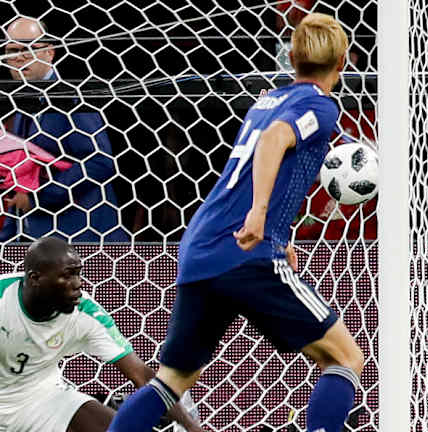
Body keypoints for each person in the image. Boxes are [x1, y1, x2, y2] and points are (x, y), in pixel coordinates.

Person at [106, 13, 364, 432]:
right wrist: (260, 216)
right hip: (245, 252)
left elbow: (264, 166)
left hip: (201, 249)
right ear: (344, 61)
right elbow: (275, 141)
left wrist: (280, 232)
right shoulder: (320, 105)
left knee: (171, 380)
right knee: (344, 357)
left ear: (293, 56)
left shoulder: (266, 101)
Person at [0, 237, 201, 432]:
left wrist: (191, 426)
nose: (78, 285)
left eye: (78, 274)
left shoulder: (86, 313)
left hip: (41, 400)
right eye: (67, 276)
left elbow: (142, 375)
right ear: (35, 279)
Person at [0, 17, 127, 243]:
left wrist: (39, 197)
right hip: (42, 243)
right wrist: (2, 243)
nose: (19, 57)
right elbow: (24, 183)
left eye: (29, 49)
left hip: (84, 241)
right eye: (12, 50)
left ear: (50, 52)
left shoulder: (71, 98)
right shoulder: (23, 104)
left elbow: (99, 162)